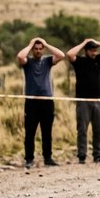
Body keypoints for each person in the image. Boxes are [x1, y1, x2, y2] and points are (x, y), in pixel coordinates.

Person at [67, 38, 100, 164]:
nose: (94, 53)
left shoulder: (99, 60)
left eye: (95, 50)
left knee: (98, 129)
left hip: (98, 100)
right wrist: (84, 42)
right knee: (82, 129)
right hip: (83, 101)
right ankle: (82, 155)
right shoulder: (79, 61)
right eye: (91, 50)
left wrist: (98, 42)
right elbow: (69, 54)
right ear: (86, 51)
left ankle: (97, 154)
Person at [17, 37, 65, 168]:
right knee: (30, 132)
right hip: (32, 101)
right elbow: (20, 56)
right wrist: (30, 43)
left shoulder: (48, 61)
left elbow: (61, 55)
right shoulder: (28, 62)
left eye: (40, 49)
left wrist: (46, 44)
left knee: (47, 132)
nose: (38, 51)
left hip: (47, 100)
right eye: (36, 49)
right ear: (32, 50)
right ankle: (29, 159)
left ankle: (48, 158)